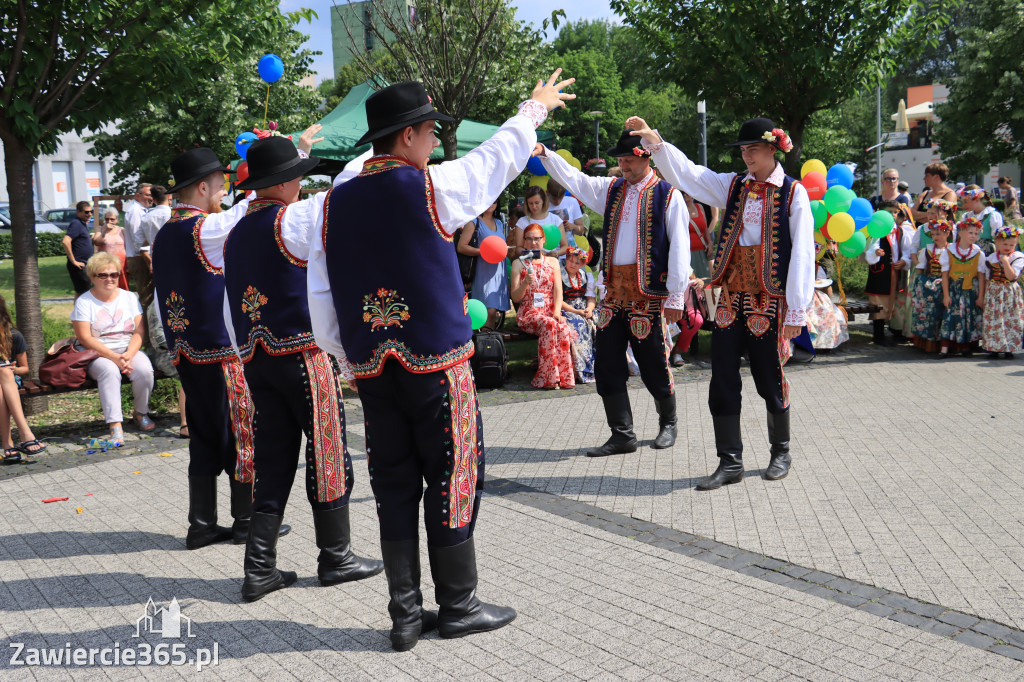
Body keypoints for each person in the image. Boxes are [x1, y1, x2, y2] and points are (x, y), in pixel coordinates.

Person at [305, 73, 575, 650]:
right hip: (437, 362)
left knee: (393, 484)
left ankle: (404, 615)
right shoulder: (429, 188)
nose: (433, 141)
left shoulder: (331, 203)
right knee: (453, 474)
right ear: (406, 137)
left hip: (373, 368)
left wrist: (351, 356)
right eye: (429, 131)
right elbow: (496, 160)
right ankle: (457, 605)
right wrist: (534, 108)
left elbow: (321, 295)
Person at [222, 134, 383, 602]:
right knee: (327, 448)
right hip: (302, 354)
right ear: (289, 180)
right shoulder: (294, 218)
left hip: (255, 358)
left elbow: (230, 308)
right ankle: (336, 556)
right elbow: (347, 186)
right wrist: (381, 146)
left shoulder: (232, 233)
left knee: (273, 460)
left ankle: (259, 569)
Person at [627, 117, 813, 488]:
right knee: (722, 379)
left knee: (768, 378)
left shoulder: (793, 193)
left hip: (769, 301)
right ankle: (730, 461)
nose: (747, 157)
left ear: (773, 150)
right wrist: (657, 143)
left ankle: (781, 450)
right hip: (730, 298)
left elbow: (803, 252)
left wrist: (796, 309)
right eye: (743, 150)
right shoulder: (733, 186)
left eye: (754, 150)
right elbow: (691, 175)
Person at [152, 147, 276, 552]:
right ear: (203, 187)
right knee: (242, 432)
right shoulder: (201, 227)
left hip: (186, 349)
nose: (223, 193)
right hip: (218, 350)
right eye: (220, 187)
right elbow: (250, 212)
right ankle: (245, 520)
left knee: (204, 436)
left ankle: (202, 524)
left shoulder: (166, 231)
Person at [538, 127, 690, 455]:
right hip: (612, 293)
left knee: (653, 362)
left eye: (629, 160)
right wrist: (547, 156)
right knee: (606, 362)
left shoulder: (667, 195)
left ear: (646, 157)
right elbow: (577, 180)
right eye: (620, 159)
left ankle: (669, 421)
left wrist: (676, 296)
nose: (624, 165)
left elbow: (680, 246)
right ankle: (622, 434)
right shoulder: (611, 189)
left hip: (648, 293)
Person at [71, 252, 155, 446]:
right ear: (92, 277)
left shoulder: (129, 297)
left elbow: (139, 331)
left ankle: (140, 413)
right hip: (97, 352)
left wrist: (128, 354)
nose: (109, 278)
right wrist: (113, 357)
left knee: (145, 371)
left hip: (127, 349)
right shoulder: (84, 302)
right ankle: (115, 424)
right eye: (103, 275)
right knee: (109, 372)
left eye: (114, 274)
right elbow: (84, 337)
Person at [511, 224, 576, 389]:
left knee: (561, 326)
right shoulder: (519, 264)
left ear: (543, 240)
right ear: (524, 242)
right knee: (549, 325)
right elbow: (515, 296)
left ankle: (564, 377)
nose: (533, 243)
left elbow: (558, 291)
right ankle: (547, 377)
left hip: (549, 310)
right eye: (529, 239)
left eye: (537, 239)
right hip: (529, 312)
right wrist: (525, 283)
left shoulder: (553, 262)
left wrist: (556, 312)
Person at [0, 294, 46, 464]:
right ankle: (25, 432)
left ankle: (8, 445)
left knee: (4, 375)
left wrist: (14, 369)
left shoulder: (14, 335)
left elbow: (24, 369)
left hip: (9, 381)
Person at [863, 200, 914, 345]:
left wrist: (904, 261)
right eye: (889, 212)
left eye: (895, 212)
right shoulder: (876, 229)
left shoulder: (900, 231)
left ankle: (895, 331)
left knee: (894, 302)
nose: (892, 215)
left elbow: (906, 250)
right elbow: (870, 248)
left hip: (894, 272)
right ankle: (878, 335)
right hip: (879, 272)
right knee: (879, 302)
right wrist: (876, 252)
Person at [457, 202, 512, 330]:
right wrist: (483, 252)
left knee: (494, 314)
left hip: (498, 272)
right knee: (488, 311)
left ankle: (489, 344)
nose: (491, 204)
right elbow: (461, 247)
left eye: (494, 201)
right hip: (483, 273)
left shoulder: (499, 222)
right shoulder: (474, 222)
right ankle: (487, 345)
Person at [939, 216, 987, 358]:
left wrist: (980, 297)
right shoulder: (950, 251)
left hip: (970, 290)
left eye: (976, 233)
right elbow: (945, 276)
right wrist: (946, 295)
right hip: (954, 289)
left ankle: (965, 347)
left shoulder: (978, 252)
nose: (974, 236)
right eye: (970, 232)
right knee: (950, 317)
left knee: (968, 317)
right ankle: (945, 348)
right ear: (960, 232)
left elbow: (981, 276)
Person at [909, 220, 953, 353]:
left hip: (947, 284)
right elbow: (920, 268)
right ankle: (927, 343)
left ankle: (944, 343)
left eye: (938, 233)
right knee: (929, 314)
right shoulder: (927, 249)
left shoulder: (952, 249)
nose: (935, 237)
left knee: (945, 314)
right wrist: (920, 284)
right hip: (930, 286)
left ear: (947, 233)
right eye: (933, 234)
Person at [981, 225, 1024, 358]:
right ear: (997, 242)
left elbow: (1011, 277)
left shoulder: (1017, 257)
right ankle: (994, 348)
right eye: (1005, 243)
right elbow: (987, 278)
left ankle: (1009, 348)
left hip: (1010, 291)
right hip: (994, 291)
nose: (1008, 247)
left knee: (1010, 318)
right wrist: (985, 296)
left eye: (1012, 244)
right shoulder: (991, 258)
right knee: (993, 319)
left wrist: (1005, 262)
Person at [146, 301, 187, 438]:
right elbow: (159, 339)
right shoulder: (158, 302)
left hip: (190, 350)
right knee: (192, 370)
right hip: (164, 353)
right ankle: (186, 424)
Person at [560, 245, 597, 383]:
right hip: (568, 309)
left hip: (584, 309)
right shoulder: (560, 275)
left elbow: (591, 298)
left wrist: (590, 309)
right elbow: (558, 300)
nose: (573, 265)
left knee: (598, 322)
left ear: (582, 264)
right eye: (571, 261)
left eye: (577, 263)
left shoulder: (585, 276)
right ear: (567, 259)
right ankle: (581, 369)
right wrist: (577, 311)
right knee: (578, 324)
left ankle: (599, 366)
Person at [512, 185, 568, 258]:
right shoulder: (522, 222)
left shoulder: (555, 219)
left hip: (551, 264)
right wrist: (536, 254)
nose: (534, 206)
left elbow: (565, 246)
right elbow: (518, 249)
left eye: (537, 203)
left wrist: (557, 253)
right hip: (529, 265)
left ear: (543, 201)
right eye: (531, 203)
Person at [123, 183, 153, 306]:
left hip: (142, 257)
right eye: (147, 195)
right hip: (141, 258)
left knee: (149, 296)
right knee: (147, 298)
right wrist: (149, 260)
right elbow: (138, 241)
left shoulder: (141, 210)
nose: (151, 198)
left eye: (152, 195)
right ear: (138, 195)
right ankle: (144, 325)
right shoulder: (135, 211)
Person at [62, 201, 95, 296]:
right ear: (78, 212)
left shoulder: (82, 223)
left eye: (91, 211)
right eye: (86, 212)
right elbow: (66, 241)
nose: (89, 214)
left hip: (83, 264)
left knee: (81, 292)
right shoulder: (76, 223)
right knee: (85, 293)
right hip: (78, 265)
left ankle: (78, 310)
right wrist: (74, 261)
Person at [93, 207, 130, 291]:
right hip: (105, 264)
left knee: (123, 286)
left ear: (116, 220)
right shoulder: (100, 229)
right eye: (107, 219)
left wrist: (129, 263)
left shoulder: (122, 230)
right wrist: (104, 231)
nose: (109, 221)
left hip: (121, 264)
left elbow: (128, 247)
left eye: (112, 219)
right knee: (108, 286)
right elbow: (97, 242)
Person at [959, 185, 1003, 253]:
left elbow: (999, 240)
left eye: (965, 202)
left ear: (977, 199)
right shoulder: (966, 216)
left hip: (987, 256)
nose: (963, 205)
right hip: (968, 254)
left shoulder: (992, 215)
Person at [139, 185, 172, 275]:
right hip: (175, 257)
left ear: (153, 199)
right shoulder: (175, 214)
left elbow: (139, 242)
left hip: (157, 258)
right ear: (168, 196)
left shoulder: (145, 218)